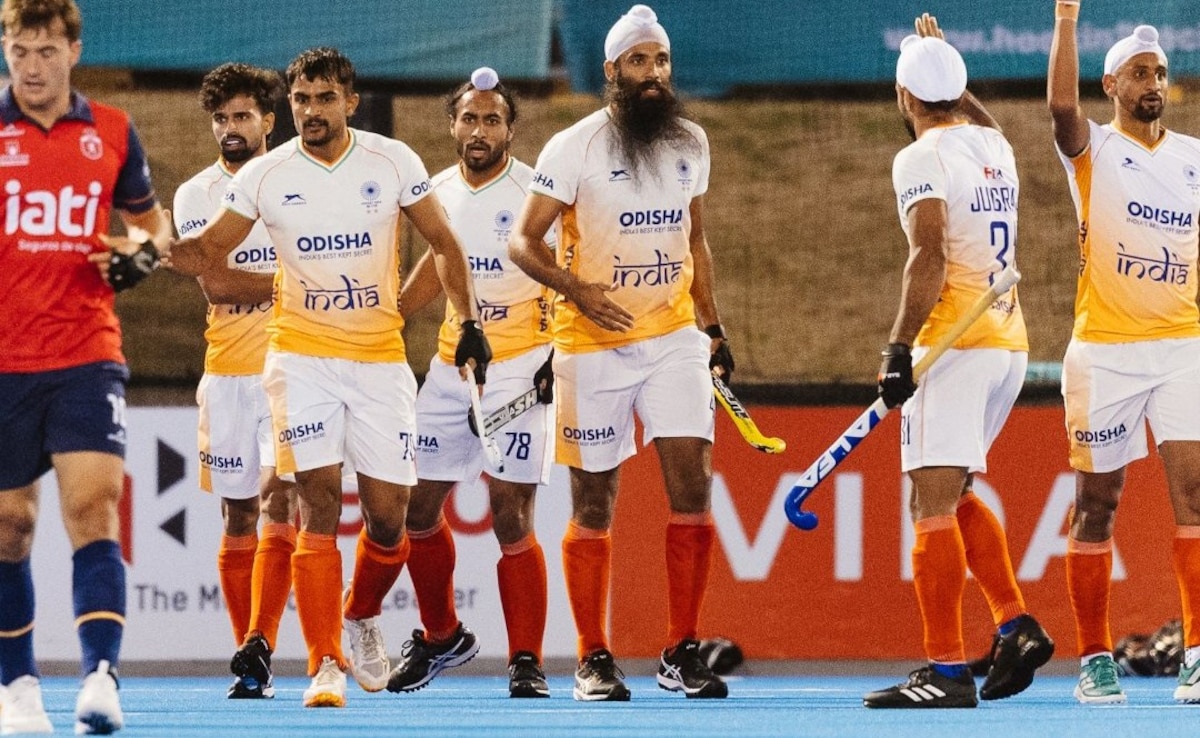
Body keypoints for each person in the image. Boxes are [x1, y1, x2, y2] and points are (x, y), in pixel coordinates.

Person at [168, 47, 489, 709]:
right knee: (315, 502)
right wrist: (154, 247)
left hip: (378, 359)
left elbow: (444, 244)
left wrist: (469, 321)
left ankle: (361, 610)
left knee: (390, 520)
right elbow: (209, 253)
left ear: (350, 102)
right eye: (300, 100)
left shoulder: (392, 161)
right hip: (299, 357)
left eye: (323, 99)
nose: (310, 111)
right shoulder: (266, 174)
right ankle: (325, 665)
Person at [509, 4, 734, 701]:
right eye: (639, 61)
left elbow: (695, 239)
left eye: (660, 60)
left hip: (673, 338)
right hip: (592, 344)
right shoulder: (573, 146)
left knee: (693, 487)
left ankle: (681, 650)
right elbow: (522, 241)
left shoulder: (690, 141)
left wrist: (713, 328)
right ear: (611, 70)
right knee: (594, 499)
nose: (653, 72)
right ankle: (592, 656)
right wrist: (575, 289)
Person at [863, 15, 1054, 709]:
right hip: (1006, 344)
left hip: (953, 345)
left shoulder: (919, 158)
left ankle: (945, 671)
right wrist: (948, 67)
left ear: (903, 95)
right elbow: (976, 117)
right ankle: (1015, 625)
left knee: (930, 502)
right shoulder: (994, 145)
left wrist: (898, 346)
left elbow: (930, 254)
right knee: (959, 489)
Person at [0, 0, 173, 733]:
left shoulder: (113, 130)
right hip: (4, 363)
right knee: (9, 527)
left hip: (86, 354)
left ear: (73, 50)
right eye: (18, 50)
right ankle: (17, 687)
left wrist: (143, 255)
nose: (31, 66)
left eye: (45, 51)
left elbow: (153, 226)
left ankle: (101, 677)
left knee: (94, 508)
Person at [1048, 3, 1200, 705]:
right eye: (1140, 73)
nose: (1154, 83)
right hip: (1104, 352)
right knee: (1096, 502)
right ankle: (1094, 659)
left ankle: (1197, 653)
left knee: (1194, 497)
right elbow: (1060, 108)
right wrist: (1065, 19)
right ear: (1111, 84)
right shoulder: (1094, 151)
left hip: (1181, 346)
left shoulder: (1194, 158)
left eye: (1160, 73)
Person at [387, 67, 555, 699]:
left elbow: (565, 270)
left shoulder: (539, 191)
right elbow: (437, 268)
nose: (479, 130)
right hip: (450, 367)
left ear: (510, 129)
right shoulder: (433, 190)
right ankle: (442, 635)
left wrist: (558, 355)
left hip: (520, 367)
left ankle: (526, 660)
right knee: (414, 510)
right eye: (469, 118)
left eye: (492, 120)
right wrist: (388, 318)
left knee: (510, 511)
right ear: (453, 126)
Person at [172, 62, 299, 700]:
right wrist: (295, 283)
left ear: (268, 120)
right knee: (238, 510)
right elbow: (217, 284)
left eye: (242, 116)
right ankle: (249, 657)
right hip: (225, 370)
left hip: (291, 366)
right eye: (221, 118)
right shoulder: (196, 194)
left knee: (281, 497)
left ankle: (260, 644)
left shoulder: (295, 181)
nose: (230, 128)